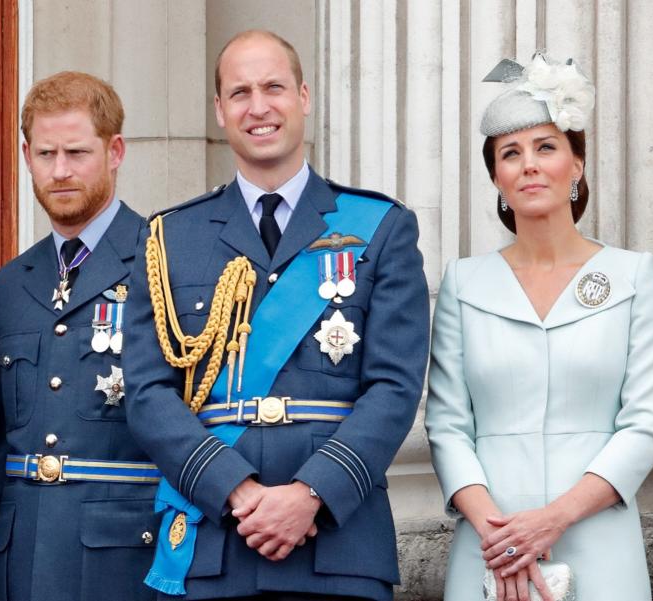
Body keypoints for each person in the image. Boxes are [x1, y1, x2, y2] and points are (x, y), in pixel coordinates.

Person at [122, 30, 429, 600]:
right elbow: (146, 393)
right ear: (219, 110)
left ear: (304, 96)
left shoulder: (380, 227)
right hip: (216, 541)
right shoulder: (170, 237)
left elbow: (394, 387)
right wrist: (237, 492)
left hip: (337, 546)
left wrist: (311, 493)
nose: (258, 107)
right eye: (239, 92)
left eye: (273, 87)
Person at [425, 54, 653, 601]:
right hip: (489, 546)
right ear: (496, 178)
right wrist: (504, 536)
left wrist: (551, 521)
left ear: (577, 164)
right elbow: (446, 426)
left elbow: (644, 425)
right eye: (510, 154)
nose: (529, 165)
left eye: (546, 147)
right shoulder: (464, 283)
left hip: (598, 538)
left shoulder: (631, 275)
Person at [0, 71, 160, 601]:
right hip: (22, 555)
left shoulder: (165, 260)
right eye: (45, 154)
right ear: (26, 155)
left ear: (115, 150)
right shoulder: (9, 284)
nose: (59, 172)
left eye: (77, 153)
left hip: (126, 558)